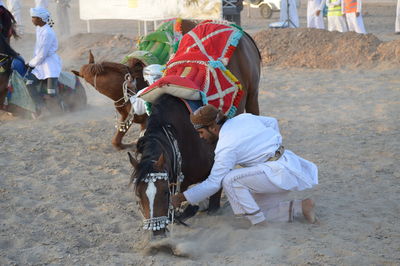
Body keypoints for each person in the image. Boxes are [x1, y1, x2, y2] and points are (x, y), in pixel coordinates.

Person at [171, 105, 318, 226]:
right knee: (253, 211)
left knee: (230, 180)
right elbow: (272, 122)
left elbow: (214, 183)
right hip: (286, 164)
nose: (200, 137)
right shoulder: (244, 118)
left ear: (213, 127)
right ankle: (302, 207)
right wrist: (270, 148)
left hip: (276, 174)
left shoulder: (226, 146)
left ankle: (260, 226)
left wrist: (182, 197)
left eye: (201, 132)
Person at [26, 7, 62, 115]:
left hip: (50, 66)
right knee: (29, 84)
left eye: (33, 17)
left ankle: (60, 109)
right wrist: (32, 62)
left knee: (51, 93)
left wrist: (31, 63)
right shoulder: (39, 28)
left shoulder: (48, 33)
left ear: (40, 19)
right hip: (40, 64)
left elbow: (42, 54)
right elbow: (37, 51)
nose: (32, 20)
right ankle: (41, 108)